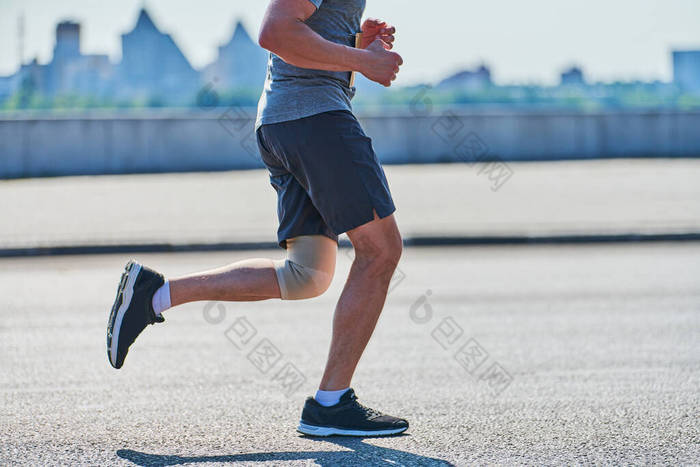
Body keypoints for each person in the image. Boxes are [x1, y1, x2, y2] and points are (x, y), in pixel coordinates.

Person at [106, 0, 406, 437]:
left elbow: (302, 43)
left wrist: (355, 41)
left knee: (306, 276)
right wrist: (364, 59)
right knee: (381, 252)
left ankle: (153, 295)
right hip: (315, 121)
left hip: (288, 122)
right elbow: (275, 33)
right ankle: (331, 404)